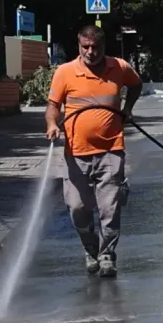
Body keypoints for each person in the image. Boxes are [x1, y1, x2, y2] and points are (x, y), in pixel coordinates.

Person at [45, 25, 143, 278]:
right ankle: (91, 249)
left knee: (109, 209)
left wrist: (127, 109)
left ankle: (107, 254)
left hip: (111, 148)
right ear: (78, 46)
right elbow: (53, 105)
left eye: (95, 47)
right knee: (77, 207)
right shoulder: (65, 72)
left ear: (103, 46)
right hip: (76, 152)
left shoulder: (119, 68)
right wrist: (52, 125)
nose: (90, 52)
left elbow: (136, 85)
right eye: (85, 47)